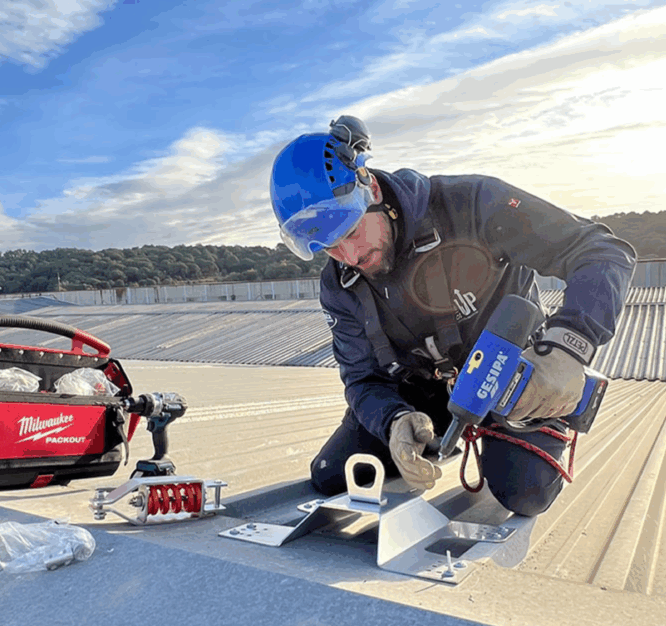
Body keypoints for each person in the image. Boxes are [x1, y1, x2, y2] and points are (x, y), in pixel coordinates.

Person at [268, 116, 637, 516]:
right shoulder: (340, 284)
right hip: (424, 392)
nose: (351, 257)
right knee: (332, 476)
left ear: (370, 188)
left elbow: (600, 251)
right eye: (330, 248)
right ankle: (433, 432)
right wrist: (394, 422)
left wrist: (569, 347)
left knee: (525, 491)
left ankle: (528, 421)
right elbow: (362, 378)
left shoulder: (472, 204)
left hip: (507, 377)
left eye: (352, 231)